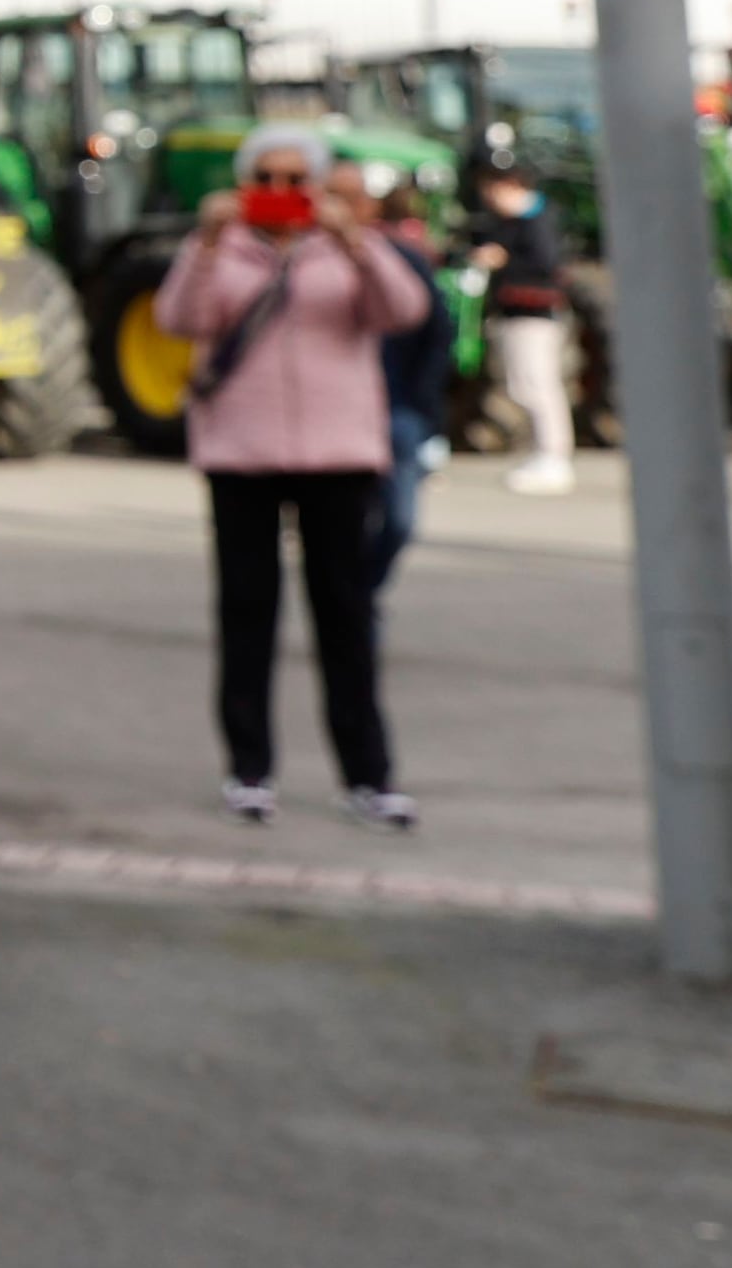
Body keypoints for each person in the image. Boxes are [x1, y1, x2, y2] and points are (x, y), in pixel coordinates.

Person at [159, 121, 429, 827]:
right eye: (267, 180)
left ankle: (368, 774)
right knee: (247, 614)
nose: (282, 194)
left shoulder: (344, 251)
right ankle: (250, 769)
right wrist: (207, 242)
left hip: (338, 455)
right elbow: (178, 319)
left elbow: (404, 310)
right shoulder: (222, 250)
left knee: (345, 617)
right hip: (241, 454)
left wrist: (355, 241)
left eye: (296, 181)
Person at [358, 164, 456, 591]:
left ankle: (362, 597)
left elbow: (435, 333)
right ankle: (355, 613)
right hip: (346, 419)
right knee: (352, 526)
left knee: (399, 521)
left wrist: (424, 408)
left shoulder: (403, 259)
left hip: (400, 409)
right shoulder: (309, 263)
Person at [468, 159, 577, 495]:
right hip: (516, 313)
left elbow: (545, 264)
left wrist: (503, 261)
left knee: (537, 385)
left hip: (534, 314)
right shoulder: (511, 222)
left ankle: (553, 456)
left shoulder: (536, 222)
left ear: (511, 186)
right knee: (523, 385)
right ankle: (543, 452)